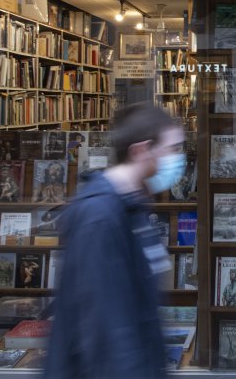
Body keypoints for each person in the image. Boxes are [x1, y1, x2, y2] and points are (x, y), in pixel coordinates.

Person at [45, 103, 184, 379]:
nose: (178, 159)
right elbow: (106, 331)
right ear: (141, 151)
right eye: (172, 149)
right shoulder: (100, 219)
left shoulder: (132, 207)